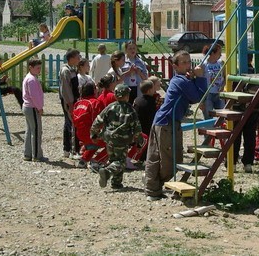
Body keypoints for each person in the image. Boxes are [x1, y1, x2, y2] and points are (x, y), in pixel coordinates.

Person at [144, 51, 207, 201]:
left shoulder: (184, 80)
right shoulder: (180, 81)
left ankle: (152, 185)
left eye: (189, 62)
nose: (188, 65)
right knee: (168, 160)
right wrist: (200, 77)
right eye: (184, 63)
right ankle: (152, 186)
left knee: (164, 157)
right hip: (167, 122)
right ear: (175, 66)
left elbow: (192, 97)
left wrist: (194, 79)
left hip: (167, 121)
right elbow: (198, 97)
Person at [91, 84, 143, 190]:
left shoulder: (110, 107)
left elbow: (98, 121)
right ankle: (107, 172)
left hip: (109, 138)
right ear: (127, 96)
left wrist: (94, 134)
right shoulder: (130, 110)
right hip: (122, 140)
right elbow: (137, 128)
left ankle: (116, 183)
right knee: (121, 162)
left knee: (114, 159)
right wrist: (139, 142)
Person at [73, 82, 107, 168]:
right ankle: (96, 161)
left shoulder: (78, 103)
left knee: (94, 144)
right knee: (113, 144)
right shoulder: (95, 103)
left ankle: (83, 161)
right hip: (90, 134)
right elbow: (100, 121)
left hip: (80, 134)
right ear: (93, 90)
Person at [22, 59, 47, 162]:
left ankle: (27, 154)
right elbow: (34, 96)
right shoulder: (31, 79)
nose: (39, 70)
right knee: (36, 131)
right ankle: (36, 155)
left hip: (28, 107)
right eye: (37, 68)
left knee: (29, 130)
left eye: (40, 68)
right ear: (30, 67)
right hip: (32, 107)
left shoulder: (29, 77)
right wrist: (39, 108)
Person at [59, 48, 81, 158]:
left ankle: (67, 148)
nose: (79, 59)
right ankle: (71, 150)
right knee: (71, 123)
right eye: (77, 57)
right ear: (71, 58)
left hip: (73, 100)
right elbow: (66, 89)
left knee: (70, 122)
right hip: (69, 101)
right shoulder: (66, 71)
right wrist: (70, 104)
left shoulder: (72, 69)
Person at [199, 44, 225, 120]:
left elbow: (225, 77)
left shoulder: (221, 63)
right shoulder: (204, 64)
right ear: (213, 53)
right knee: (208, 117)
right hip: (208, 94)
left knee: (222, 117)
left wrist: (222, 86)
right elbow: (200, 82)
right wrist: (201, 101)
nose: (221, 55)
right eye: (219, 53)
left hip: (219, 94)